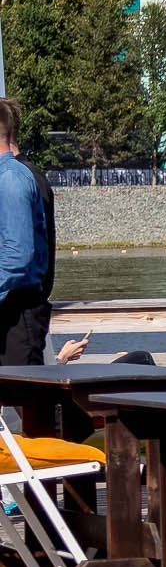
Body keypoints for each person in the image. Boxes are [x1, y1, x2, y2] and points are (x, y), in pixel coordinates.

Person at [0, 98, 54, 368]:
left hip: (17, 314)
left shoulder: (11, 179)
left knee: (24, 405)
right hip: (10, 309)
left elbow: (18, 254)